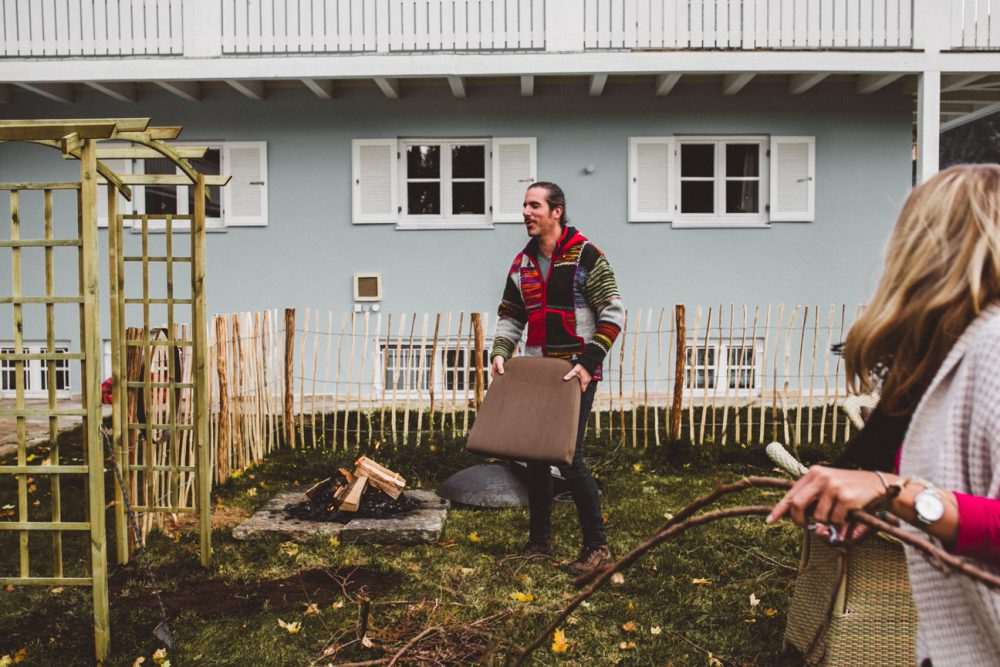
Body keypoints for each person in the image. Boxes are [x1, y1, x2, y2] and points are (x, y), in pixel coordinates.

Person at [767, 164, 1000, 666]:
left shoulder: (996, 347)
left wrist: (897, 494)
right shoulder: (938, 359)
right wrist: (880, 504)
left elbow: (908, 490)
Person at [489, 181, 625, 575]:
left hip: (575, 374)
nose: (526, 213)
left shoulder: (587, 257)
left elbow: (613, 315)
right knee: (533, 459)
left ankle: (597, 547)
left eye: (534, 206)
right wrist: (500, 354)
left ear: (556, 211)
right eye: (524, 206)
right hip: (537, 374)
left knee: (569, 459)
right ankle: (540, 541)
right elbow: (511, 316)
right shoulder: (522, 264)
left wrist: (587, 363)